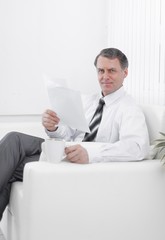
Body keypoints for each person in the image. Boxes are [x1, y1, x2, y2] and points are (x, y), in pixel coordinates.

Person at [0, 48, 150, 221]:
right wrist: (53, 127)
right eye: (101, 71)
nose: (105, 76)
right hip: (65, 150)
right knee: (13, 141)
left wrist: (91, 154)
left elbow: (137, 148)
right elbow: (68, 133)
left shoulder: (129, 108)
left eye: (112, 71)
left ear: (125, 73)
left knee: (11, 158)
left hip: (82, 163)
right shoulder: (89, 101)